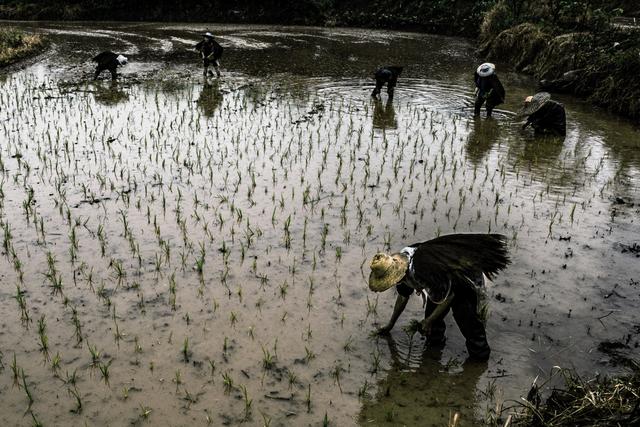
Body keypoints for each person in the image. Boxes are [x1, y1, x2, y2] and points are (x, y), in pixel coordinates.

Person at [369, 233, 510, 361]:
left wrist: (428, 321)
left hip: (461, 279)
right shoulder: (400, 268)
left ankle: (479, 360)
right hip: (439, 281)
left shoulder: (420, 268)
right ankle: (433, 351)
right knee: (432, 319)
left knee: (466, 319)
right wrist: (390, 325)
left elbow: (449, 297)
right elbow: (403, 297)